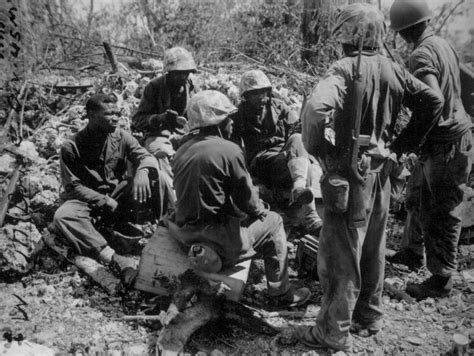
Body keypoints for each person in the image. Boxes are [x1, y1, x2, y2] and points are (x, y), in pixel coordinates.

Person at [293, 3, 444, 352]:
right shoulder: (392, 68)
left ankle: (332, 332)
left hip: (349, 175)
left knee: (340, 254)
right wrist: (398, 146)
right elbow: (432, 100)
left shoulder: (344, 69)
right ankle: (370, 315)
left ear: (346, 35)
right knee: (374, 246)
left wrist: (322, 152)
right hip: (381, 172)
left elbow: (315, 110)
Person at [167, 90, 311, 307]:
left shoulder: (183, 149)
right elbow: (248, 202)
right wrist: (260, 209)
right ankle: (281, 294)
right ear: (218, 123)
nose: (232, 124)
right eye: (229, 119)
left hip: (187, 232)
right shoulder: (229, 150)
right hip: (217, 239)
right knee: (274, 221)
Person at [389, 0, 472, 299]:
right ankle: (413, 254)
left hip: (445, 144)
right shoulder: (442, 44)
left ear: (403, 32)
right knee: (419, 199)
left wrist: (405, 142)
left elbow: (432, 101)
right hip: (447, 139)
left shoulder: (421, 54)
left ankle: (441, 280)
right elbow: (464, 80)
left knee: (443, 211)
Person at [54, 94, 171, 280]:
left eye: (117, 113)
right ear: (91, 115)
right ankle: (112, 257)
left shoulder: (121, 136)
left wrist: (143, 171)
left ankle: (170, 231)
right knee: (64, 215)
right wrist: (104, 201)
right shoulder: (72, 146)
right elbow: (73, 186)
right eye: (109, 114)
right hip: (89, 200)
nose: (116, 118)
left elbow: (145, 156)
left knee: (160, 177)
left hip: (119, 195)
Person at [230, 70, 323, 236]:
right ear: (246, 95)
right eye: (254, 93)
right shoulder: (239, 116)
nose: (260, 97)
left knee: (298, 140)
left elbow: (296, 129)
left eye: (263, 91)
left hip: (285, 155)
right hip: (261, 161)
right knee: (302, 160)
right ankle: (308, 215)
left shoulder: (279, 107)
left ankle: (300, 190)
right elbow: (235, 149)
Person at [132, 46, 198, 194]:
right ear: (169, 72)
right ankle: (173, 202)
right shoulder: (154, 87)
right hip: (160, 135)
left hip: (187, 133)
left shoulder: (192, 86)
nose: (183, 77)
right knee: (160, 153)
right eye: (179, 73)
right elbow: (137, 120)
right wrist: (159, 118)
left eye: (186, 73)